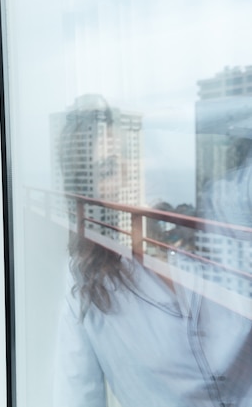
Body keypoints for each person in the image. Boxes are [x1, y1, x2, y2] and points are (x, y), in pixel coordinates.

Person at [53, 94, 252, 407]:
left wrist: (179, 115)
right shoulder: (89, 285)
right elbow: (77, 396)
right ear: (91, 194)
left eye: (131, 152)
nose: (130, 171)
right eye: (106, 169)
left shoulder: (219, 215)